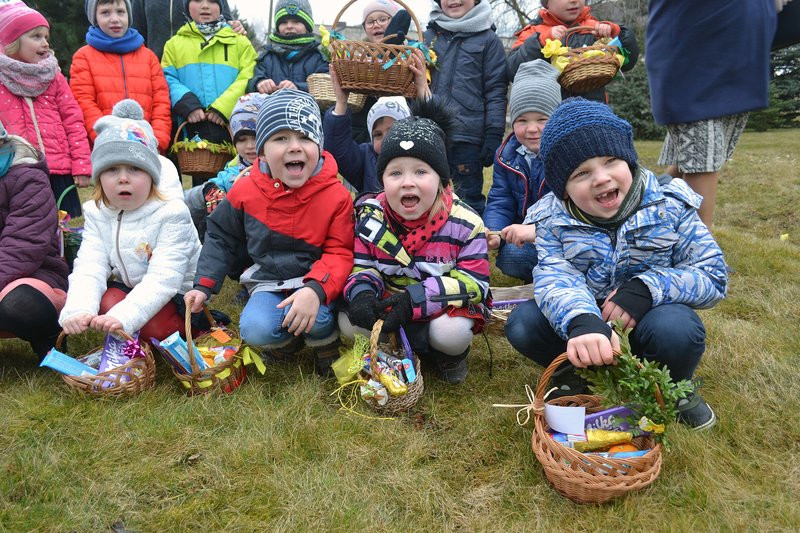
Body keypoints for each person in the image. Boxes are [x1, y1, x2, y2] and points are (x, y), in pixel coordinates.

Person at [504, 98, 728, 430]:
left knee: (679, 329)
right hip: (589, 330)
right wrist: (581, 321)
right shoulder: (550, 219)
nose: (601, 178)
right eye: (581, 173)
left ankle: (673, 384)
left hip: (648, 322)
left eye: (611, 161)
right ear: (562, 188)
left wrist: (647, 289)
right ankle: (578, 370)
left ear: (629, 160)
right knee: (523, 323)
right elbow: (555, 276)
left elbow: (713, 275)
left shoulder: (669, 205)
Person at [184, 89, 355, 377]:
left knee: (319, 317)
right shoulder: (246, 188)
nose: (295, 147)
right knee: (255, 328)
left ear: (319, 145)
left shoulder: (336, 195)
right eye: (280, 138)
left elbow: (339, 252)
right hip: (270, 280)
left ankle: (324, 340)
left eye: (305, 137)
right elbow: (221, 236)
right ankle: (285, 339)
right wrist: (203, 285)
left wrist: (315, 291)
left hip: (316, 282)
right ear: (261, 151)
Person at [339, 99, 490, 385]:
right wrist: (361, 294)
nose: (407, 182)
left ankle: (449, 355)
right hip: (388, 303)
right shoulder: (371, 218)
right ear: (382, 179)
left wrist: (415, 300)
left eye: (421, 172)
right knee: (348, 323)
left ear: (442, 180)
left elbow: (475, 283)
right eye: (395, 173)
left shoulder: (466, 223)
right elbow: (363, 267)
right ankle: (385, 350)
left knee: (451, 333)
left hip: (440, 308)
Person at [59, 100, 201, 340]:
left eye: (135, 169)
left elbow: (163, 280)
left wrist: (124, 316)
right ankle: (136, 332)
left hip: (180, 295)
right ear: (100, 178)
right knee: (107, 303)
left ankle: (195, 330)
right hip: (133, 286)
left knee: (153, 327)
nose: (123, 178)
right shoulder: (97, 213)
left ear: (153, 176)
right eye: (112, 169)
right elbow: (90, 265)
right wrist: (79, 308)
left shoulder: (172, 213)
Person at [646, 0, 776, 227]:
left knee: (699, 157)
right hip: (693, 54)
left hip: (740, 57)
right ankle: (698, 255)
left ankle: (652, 223)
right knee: (701, 159)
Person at [0, 1, 91, 218]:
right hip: (18, 173)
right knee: (28, 228)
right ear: (12, 41)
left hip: (60, 171)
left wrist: (81, 165)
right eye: (35, 36)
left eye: (46, 37)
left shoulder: (54, 77)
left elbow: (73, 120)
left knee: (69, 229)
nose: (44, 44)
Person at [423, 0, 507, 215]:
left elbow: (495, 90)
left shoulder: (488, 40)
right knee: (428, 194)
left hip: (467, 137)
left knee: (468, 198)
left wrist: (493, 133)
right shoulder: (427, 37)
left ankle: (472, 244)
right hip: (429, 131)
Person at [161, 0, 257, 184]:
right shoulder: (174, 44)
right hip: (193, 125)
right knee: (202, 184)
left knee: (237, 180)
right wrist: (188, 104)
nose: (205, 6)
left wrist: (223, 108)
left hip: (230, 125)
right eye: (197, 0)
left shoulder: (240, 42)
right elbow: (167, 77)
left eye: (212, 1)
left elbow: (248, 74)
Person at [484, 60, 561, 283]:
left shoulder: (565, 153)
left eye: (542, 119)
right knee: (510, 257)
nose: (532, 129)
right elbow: (501, 199)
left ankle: (563, 272)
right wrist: (495, 231)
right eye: (522, 120)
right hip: (524, 235)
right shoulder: (506, 156)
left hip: (563, 236)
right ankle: (545, 273)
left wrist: (538, 231)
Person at [0, 119, 69, 359]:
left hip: (31, 273)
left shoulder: (27, 178)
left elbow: (23, 247)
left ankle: (51, 338)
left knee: (21, 305)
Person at [70, 0, 172, 152]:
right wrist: (106, 137)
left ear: (129, 16)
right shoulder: (83, 57)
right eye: (105, 13)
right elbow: (84, 103)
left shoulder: (148, 57)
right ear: (94, 17)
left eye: (120, 12)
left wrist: (157, 141)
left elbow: (161, 103)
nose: (115, 19)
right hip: (105, 148)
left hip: (147, 147)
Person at [322, 57, 429, 194]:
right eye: (377, 134)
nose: (385, 139)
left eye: (393, 131)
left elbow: (435, 133)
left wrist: (423, 90)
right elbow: (337, 148)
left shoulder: (422, 152)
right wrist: (341, 103)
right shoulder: (365, 159)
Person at [506, 0, 638, 102]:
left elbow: (628, 63)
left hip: (592, 111)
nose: (574, 0)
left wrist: (617, 32)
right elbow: (513, 70)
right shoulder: (533, 32)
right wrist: (541, 41)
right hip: (548, 115)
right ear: (547, 3)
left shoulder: (595, 27)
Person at [183, 92, 266, 232]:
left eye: (256, 137)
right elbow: (184, 201)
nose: (250, 146)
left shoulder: (281, 171)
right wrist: (207, 190)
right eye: (241, 139)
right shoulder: (232, 173)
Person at [349, 0, 412, 143]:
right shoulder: (357, 56)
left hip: (398, 130)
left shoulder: (408, 56)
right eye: (370, 22)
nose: (376, 24)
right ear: (364, 28)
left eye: (383, 19)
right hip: (362, 131)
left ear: (395, 23)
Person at [246, 0, 328, 95]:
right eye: (284, 22)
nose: (289, 26)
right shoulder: (266, 58)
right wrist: (259, 83)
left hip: (308, 109)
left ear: (307, 26)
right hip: (272, 108)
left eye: (296, 22)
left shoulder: (319, 59)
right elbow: (250, 82)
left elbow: (326, 87)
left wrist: (298, 88)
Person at [130, 0, 235, 59]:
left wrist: (235, 26)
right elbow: (136, 32)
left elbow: (225, 23)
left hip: (195, 67)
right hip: (155, 68)